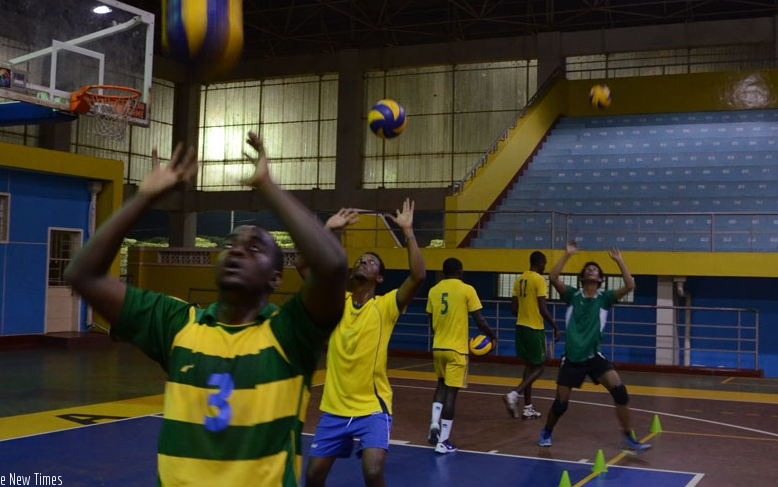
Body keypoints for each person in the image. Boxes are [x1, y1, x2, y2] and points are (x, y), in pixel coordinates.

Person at [64, 133, 349, 486]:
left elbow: (334, 267)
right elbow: (83, 274)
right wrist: (144, 198)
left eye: (255, 247)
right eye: (230, 244)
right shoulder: (177, 324)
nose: (237, 250)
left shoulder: (289, 334)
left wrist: (267, 187)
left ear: (276, 278)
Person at [305, 198, 426, 487]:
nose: (363, 261)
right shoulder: (336, 301)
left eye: (371, 262)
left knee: (372, 472)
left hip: (373, 406)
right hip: (334, 407)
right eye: (360, 259)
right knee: (312, 477)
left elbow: (418, 275)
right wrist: (327, 229)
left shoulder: (385, 307)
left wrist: (407, 231)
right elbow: (302, 265)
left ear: (380, 277)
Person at [540, 240, 651, 453]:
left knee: (620, 393)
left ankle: (630, 439)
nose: (592, 270)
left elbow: (630, 285)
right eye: (588, 269)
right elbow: (553, 277)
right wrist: (567, 254)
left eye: (595, 270)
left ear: (600, 279)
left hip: (593, 357)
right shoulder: (572, 295)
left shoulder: (605, 299)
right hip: (572, 358)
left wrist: (620, 261)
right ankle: (547, 430)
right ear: (583, 278)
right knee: (560, 405)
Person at [426, 257, 497, 454]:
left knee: (440, 385)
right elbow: (479, 320)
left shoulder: (433, 290)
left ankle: (434, 422)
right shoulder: (467, 289)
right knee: (451, 393)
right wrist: (492, 337)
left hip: (438, 347)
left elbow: (432, 322)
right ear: (460, 272)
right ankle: (444, 441)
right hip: (457, 349)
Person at [503, 251, 560, 420]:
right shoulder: (539, 280)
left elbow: (514, 309)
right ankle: (514, 394)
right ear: (540, 263)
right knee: (540, 367)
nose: (545, 267)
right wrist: (555, 327)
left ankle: (528, 408)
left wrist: (526, 313)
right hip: (534, 328)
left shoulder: (519, 279)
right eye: (545, 263)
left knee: (529, 366)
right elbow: (543, 309)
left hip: (520, 327)